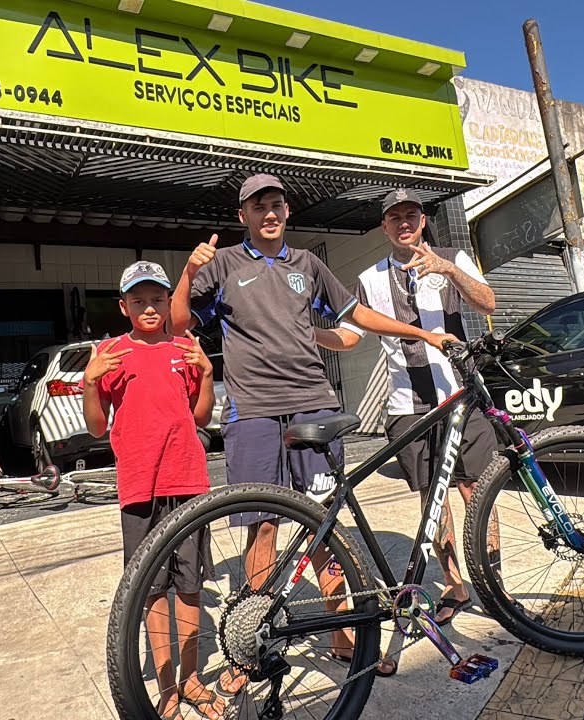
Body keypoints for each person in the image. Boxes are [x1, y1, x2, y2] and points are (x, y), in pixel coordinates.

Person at [169, 174, 458, 688]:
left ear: (287, 211)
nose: (270, 213)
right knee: (263, 526)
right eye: (259, 206)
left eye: (278, 204)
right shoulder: (225, 265)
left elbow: (357, 315)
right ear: (244, 216)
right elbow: (176, 323)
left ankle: (342, 635)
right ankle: (254, 639)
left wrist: (421, 333)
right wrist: (188, 276)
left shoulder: (308, 264)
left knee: (324, 519)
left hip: (314, 405)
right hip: (254, 411)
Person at [315, 188, 499, 626]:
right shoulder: (370, 278)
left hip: (461, 396)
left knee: (480, 492)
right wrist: (306, 333)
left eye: (411, 215)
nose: (403, 223)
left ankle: (493, 584)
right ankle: (456, 587)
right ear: (384, 226)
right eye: (394, 216)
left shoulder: (453, 256)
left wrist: (448, 270)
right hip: (407, 407)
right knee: (432, 498)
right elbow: (350, 336)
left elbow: (488, 302)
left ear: (423, 220)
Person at [82, 261, 223, 720]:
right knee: (150, 590)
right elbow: (98, 427)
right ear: (123, 306)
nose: (149, 307)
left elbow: (202, 418)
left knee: (189, 586)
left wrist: (205, 376)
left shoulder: (185, 348)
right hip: (139, 487)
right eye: (138, 300)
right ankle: (166, 688)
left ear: (168, 303)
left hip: (188, 481)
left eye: (158, 299)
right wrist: (89, 382)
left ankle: (192, 679)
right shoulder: (111, 354)